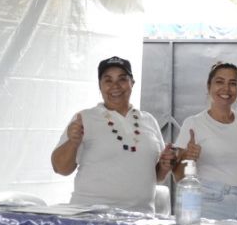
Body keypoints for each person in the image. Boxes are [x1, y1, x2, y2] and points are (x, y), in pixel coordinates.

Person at [51, 56, 177, 213]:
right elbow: (60, 169)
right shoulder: (84, 118)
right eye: (108, 80)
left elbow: (155, 176)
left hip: (140, 217)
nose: (115, 86)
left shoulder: (149, 120)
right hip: (91, 216)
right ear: (100, 86)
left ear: (132, 83)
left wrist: (164, 166)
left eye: (122, 79)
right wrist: (72, 142)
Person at [174, 62, 237, 222]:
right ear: (209, 87)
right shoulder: (194, 123)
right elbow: (179, 175)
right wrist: (188, 156)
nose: (226, 89)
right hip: (209, 206)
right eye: (219, 82)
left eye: (232, 83)